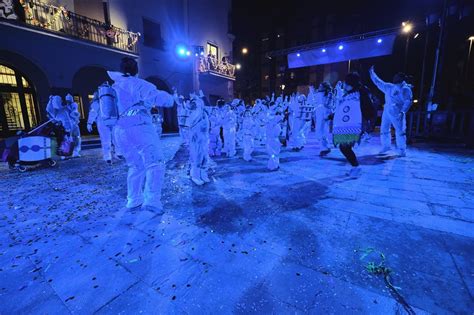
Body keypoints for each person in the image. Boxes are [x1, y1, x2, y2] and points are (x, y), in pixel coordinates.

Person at [108, 57, 175, 211]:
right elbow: (157, 97)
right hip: (139, 126)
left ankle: (133, 199)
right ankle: (151, 200)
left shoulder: (115, 86)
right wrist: (171, 98)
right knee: (155, 162)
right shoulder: (137, 83)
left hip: (120, 130)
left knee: (135, 165)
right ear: (136, 70)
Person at [369, 66, 413, 157]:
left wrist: (403, 111)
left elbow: (408, 101)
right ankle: (386, 146)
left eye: (397, 77)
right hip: (387, 110)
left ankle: (402, 149)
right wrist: (372, 73)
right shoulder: (389, 87)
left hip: (397, 112)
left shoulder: (405, 89)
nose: (395, 78)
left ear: (401, 78)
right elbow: (378, 82)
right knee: (384, 129)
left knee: (400, 130)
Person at [332, 73, 366, 178]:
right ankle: (355, 168)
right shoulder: (347, 95)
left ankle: (356, 168)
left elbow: (368, 109)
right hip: (346, 126)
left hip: (354, 126)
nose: (344, 85)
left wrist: (366, 127)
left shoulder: (361, 93)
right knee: (344, 148)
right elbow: (342, 109)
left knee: (344, 148)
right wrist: (330, 116)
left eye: (346, 83)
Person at [87, 85, 117, 164]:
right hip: (113, 120)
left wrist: (89, 123)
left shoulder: (95, 103)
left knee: (105, 140)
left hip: (102, 122)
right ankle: (118, 153)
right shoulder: (112, 100)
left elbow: (92, 113)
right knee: (115, 138)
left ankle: (108, 157)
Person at [313, 82, 334, 156]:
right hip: (319, 114)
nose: (319, 87)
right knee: (320, 131)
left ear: (325, 87)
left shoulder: (329, 94)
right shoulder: (319, 94)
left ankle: (324, 148)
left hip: (324, 114)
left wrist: (321, 107)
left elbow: (327, 104)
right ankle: (326, 147)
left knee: (321, 131)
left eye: (321, 86)